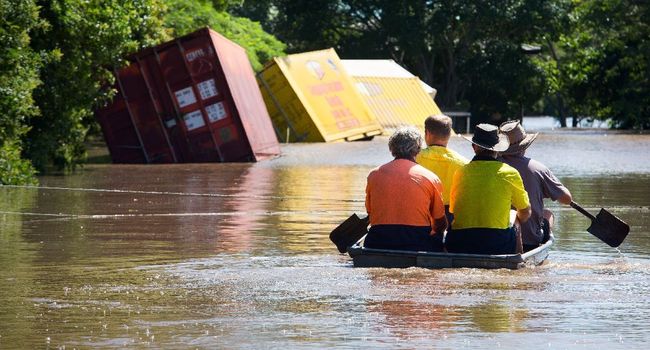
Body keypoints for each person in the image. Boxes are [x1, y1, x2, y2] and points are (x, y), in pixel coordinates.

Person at [446, 124, 531, 255]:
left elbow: (452, 210)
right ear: (497, 150)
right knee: (515, 216)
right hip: (497, 244)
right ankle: (517, 263)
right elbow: (525, 212)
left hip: (461, 243)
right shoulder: (510, 173)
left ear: (474, 147)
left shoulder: (460, 172)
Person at [365, 126, 448, 252]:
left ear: (391, 149)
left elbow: (370, 212)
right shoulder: (430, 177)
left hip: (378, 240)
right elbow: (440, 223)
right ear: (418, 149)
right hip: (416, 242)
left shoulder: (373, 175)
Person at [499, 120, 573, 251]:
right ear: (525, 146)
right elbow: (567, 199)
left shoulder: (492, 166)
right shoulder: (537, 169)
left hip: (497, 237)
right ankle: (540, 242)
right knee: (548, 214)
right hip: (529, 241)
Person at [416, 114, 469, 220]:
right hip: (450, 216)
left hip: (422, 213)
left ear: (427, 133)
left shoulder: (414, 158)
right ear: (449, 135)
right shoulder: (464, 163)